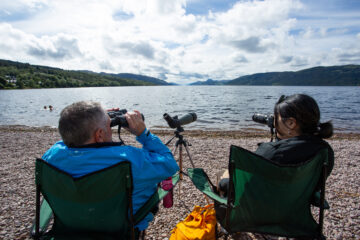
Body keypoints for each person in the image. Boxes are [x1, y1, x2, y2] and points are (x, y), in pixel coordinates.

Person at [42, 101, 179, 232]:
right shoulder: (128, 159)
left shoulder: (51, 157)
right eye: (109, 125)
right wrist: (144, 134)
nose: (110, 127)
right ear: (99, 135)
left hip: (71, 225)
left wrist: (92, 120)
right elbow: (170, 164)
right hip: (121, 229)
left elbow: (73, 137)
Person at [218, 93, 334, 196]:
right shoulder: (324, 152)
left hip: (257, 215)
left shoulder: (271, 152)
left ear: (291, 123)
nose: (273, 121)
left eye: (276, 117)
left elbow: (243, 186)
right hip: (296, 214)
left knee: (223, 174)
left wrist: (223, 181)